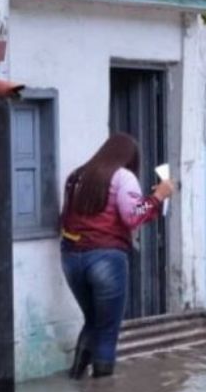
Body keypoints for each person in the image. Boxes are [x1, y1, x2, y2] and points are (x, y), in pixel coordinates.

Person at [60, 133, 174, 379]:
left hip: (71, 258)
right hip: (106, 258)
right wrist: (157, 197)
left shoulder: (76, 176)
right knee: (108, 328)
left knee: (92, 319)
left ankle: (76, 377)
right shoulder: (123, 177)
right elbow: (132, 215)